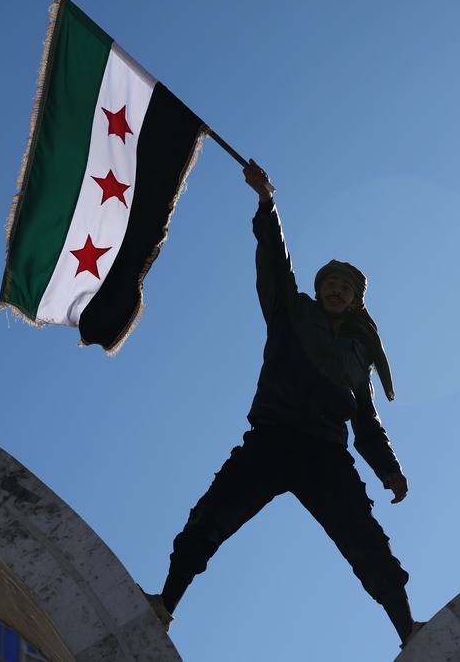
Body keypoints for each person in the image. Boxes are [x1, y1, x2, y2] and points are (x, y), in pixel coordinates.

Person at [145, 160, 423, 650]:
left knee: (368, 544)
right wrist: (267, 204)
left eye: (346, 287)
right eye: (330, 283)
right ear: (318, 289)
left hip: (326, 456)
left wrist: (390, 470)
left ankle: (409, 631)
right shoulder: (289, 311)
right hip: (271, 441)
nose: (336, 290)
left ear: (356, 299)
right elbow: (276, 261)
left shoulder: (359, 354)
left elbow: (367, 424)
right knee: (210, 517)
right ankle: (164, 605)